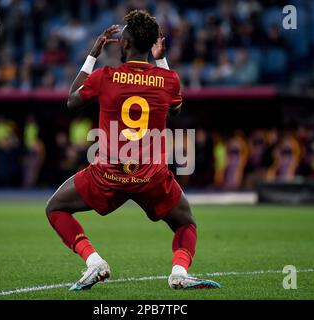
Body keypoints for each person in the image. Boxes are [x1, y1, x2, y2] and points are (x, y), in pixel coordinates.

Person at [45, 10, 220, 291]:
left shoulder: (106, 76)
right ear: (151, 45)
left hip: (108, 174)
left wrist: (92, 55)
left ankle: (94, 262)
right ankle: (178, 272)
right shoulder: (169, 79)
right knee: (186, 224)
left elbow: (72, 102)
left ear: (124, 44)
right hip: (151, 176)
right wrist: (161, 58)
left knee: (55, 208)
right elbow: (175, 106)